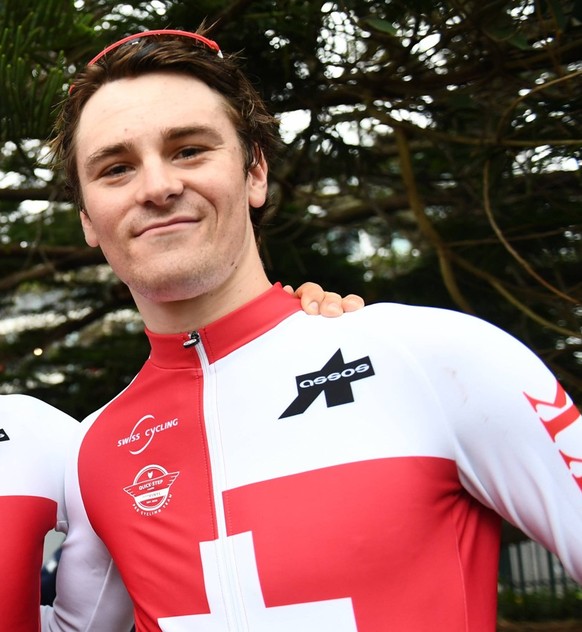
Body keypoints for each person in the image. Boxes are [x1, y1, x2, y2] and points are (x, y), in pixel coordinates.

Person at [47, 28, 582, 632]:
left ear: (255, 173)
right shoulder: (92, 450)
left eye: (190, 149)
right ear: (88, 218)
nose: (158, 186)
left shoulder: (434, 358)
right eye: (116, 168)